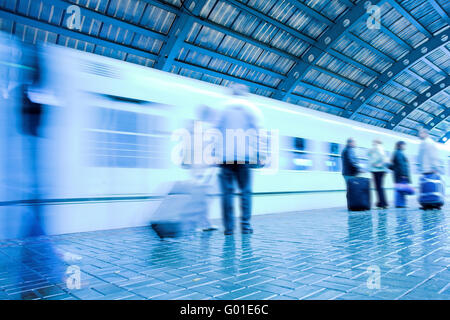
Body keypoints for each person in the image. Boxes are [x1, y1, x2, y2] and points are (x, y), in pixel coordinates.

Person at [216, 83, 264, 235]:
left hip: (225, 159)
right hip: (245, 157)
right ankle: (245, 226)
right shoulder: (252, 109)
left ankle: (229, 228)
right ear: (245, 93)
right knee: (245, 192)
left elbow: (214, 132)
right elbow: (258, 133)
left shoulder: (222, 108)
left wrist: (213, 153)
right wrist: (260, 154)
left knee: (227, 193)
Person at [368, 140, 389, 209]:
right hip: (378, 171)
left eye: (374, 142)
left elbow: (383, 159)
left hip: (378, 171)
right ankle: (382, 203)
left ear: (377, 143)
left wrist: (376, 164)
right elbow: (369, 154)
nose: (373, 144)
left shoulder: (379, 148)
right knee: (379, 187)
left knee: (378, 187)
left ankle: (382, 204)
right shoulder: (376, 149)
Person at [390, 141, 411, 208]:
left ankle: (400, 204)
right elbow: (400, 164)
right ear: (401, 145)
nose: (405, 147)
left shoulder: (397, 152)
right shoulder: (399, 153)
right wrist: (403, 174)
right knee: (401, 189)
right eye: (404, 145)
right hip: (401, 174)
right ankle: (400, 204)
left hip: (398, 174)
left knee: (400, 189)